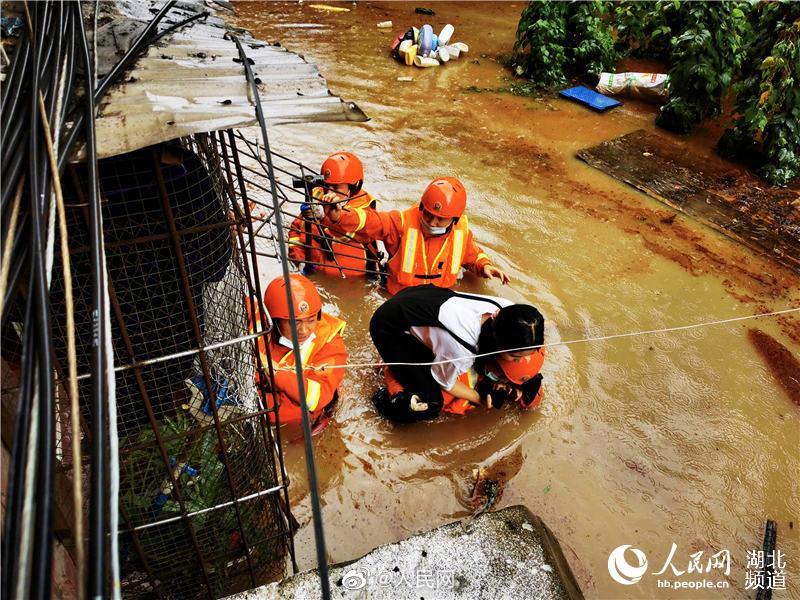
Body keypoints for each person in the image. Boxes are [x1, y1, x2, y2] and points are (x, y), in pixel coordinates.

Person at [369, 284, 544, 423]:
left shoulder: (511, 312)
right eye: (515, 357)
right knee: (431, 403)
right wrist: (477, 397)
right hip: (389, 326)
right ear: (499, 344)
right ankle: (387, 391)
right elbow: (445, 383)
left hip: (423, 297)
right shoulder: (461, 349)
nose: (522, 361)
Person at [321, 176, 509, 295]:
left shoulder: (461, 233)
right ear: (421, 207)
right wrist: (340, 215)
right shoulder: (400, 223)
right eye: (427, 214)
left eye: (440, 219)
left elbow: (471, 255)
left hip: (439, 302)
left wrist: (484, 266)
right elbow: (370, 222)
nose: (431, 222)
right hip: (398, 302)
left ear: (454, 219)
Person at [248, 274, 347, 432]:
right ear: (274, 320)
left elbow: (318, 397)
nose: (304, 330)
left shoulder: (330, 343)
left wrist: (272, 370)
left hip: (303, 416)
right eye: (295, 322)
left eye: (311, 320)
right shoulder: (260, 316)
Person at [288, 152, 379, 277]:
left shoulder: (364, 210)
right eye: (327, 186)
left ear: (353, 188)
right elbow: (295, 229)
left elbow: (348, 234)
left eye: (336, 188)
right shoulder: (317, 195)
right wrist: (299, 260)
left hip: (348, 282)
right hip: (313, 272)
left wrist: (324, 216)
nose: (330, 193)